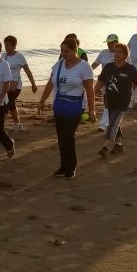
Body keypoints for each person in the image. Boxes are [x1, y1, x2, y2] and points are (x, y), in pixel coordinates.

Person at [37, 38, 96, 179]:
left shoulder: (84, 67)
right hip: (60, 105)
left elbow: (90, 89)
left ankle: (71, 166)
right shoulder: (58, 65)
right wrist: (42, 101)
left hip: (76, 106)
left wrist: (92, 110)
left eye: (67, 51)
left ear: (75, 50)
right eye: (62, 51)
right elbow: (50, 84)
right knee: (61, 138)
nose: (64, 54)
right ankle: (63, 166)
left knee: (67, 135)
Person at [94, 43, 137, 158]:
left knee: (113, 123)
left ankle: (106, 146)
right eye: (116, 52)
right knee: (114, 122)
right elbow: (100, 82)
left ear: (125, 55)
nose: (117, 54)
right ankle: (119, 145)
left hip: (123, 101)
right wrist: (90, 95)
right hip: (109, 100)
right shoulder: (108, 67)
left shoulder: (130, 69)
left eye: (120, 52)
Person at [2, 35, 37, 132]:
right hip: (5, 84)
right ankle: (18, 124)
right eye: (5, 45)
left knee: (7, 104)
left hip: (15, 86)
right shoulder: (3, 56)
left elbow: (27, 71)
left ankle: (0, 127)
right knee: (11, 104)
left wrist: (33, 84)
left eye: (8, 45)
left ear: (14, 46)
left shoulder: (19, 57)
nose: (6, 47)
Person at [91, 34, 119, 131]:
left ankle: (103, 124)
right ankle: (108, 122)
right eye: (108, 42)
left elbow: (129, 68)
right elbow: (95, 64)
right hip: (104, 81)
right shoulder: (104, 52)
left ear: (116, 42)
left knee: (110, 103)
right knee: (107, 102)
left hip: (117, 83)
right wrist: (86, 72)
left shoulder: (121, 53)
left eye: (111, 43)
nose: (109, 44)